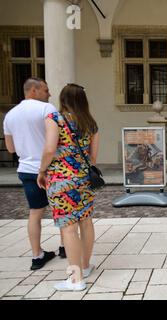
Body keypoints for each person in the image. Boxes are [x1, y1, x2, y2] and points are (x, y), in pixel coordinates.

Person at [37, 83, 99, 291]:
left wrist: (42, 171)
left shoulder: (54, 119)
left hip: (61, 180)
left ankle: (75, 279)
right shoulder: (90, 123)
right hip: (84, 179)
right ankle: (85, 266)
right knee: (86, 223)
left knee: (69, 229)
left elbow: (49, 149)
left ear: (63, 100)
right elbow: (93, 158)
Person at [3, 78, 66, 271]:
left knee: (35, 213)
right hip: (52, 168)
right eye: (46, 90)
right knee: (62, 209)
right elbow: (60, 139)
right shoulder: (47, 109)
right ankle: (65, 247)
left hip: (26, 169)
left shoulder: (10, 115)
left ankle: (37, 255)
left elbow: (10, 148)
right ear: (33, 90)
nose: (49, 94)